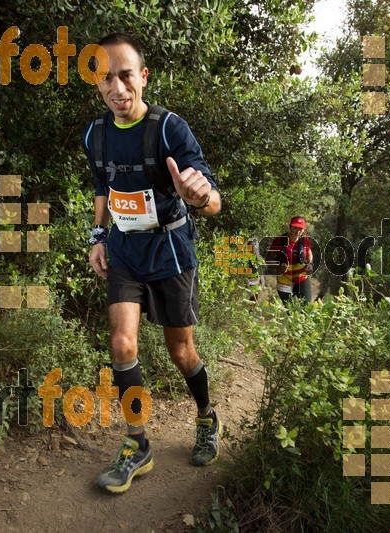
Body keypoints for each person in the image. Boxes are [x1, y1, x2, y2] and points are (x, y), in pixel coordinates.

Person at [82, 33, 222, 494]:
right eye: (106, 78)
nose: (117, 87)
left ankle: (205, 416)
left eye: (125, 75)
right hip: (124, 250)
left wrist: (201, 196)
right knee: (122, 344)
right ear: (98, 84)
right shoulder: (96, 134)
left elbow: (211, 196)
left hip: (170, 251)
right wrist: (98, 236)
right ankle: (137, 443)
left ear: (142, 77)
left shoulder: (169, 129)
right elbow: (103, 187)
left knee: (181, 352)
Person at [266, 216, 314, 305]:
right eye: (295, 228)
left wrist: (310, 263)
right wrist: (279, 266)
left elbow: (309, 252)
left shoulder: (304, 240)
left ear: (304, 230)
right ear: (290, 227)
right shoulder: (280, 240)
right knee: (290, 309)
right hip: (284, 277)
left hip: (301, 275)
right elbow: (268, 260)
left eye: (301, 229)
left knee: (306, 307)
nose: (298, 231)